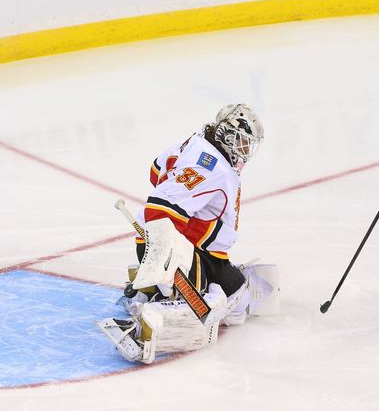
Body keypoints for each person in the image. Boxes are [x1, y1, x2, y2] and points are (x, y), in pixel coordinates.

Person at [97, 104, 279, 363]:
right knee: (220, 301)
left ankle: (149, 290)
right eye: (242, 142)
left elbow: (156, 169)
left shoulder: (199, 141)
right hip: (175, 250)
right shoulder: (213, 166)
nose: (246, 151)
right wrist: (169, 262)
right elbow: (160, 209)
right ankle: (152, 309)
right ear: (227, 136)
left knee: (233, 295)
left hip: (182, 246)